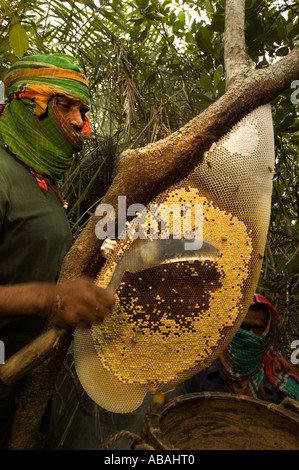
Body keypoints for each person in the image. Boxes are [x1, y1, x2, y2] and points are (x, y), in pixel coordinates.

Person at [0, 54, 115, 449]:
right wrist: (49, 299)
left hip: (17, 388)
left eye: (82, 110)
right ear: (27, 103)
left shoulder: (42, 185)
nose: (79, 121)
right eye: (65, 105)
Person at [176, 294, 299, 404]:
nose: (250, 335)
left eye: (258, 329)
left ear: (267, 332)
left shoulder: (280, 376)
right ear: (230, 327)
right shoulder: (199, 368)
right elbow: (173, 413)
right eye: (244, 327)